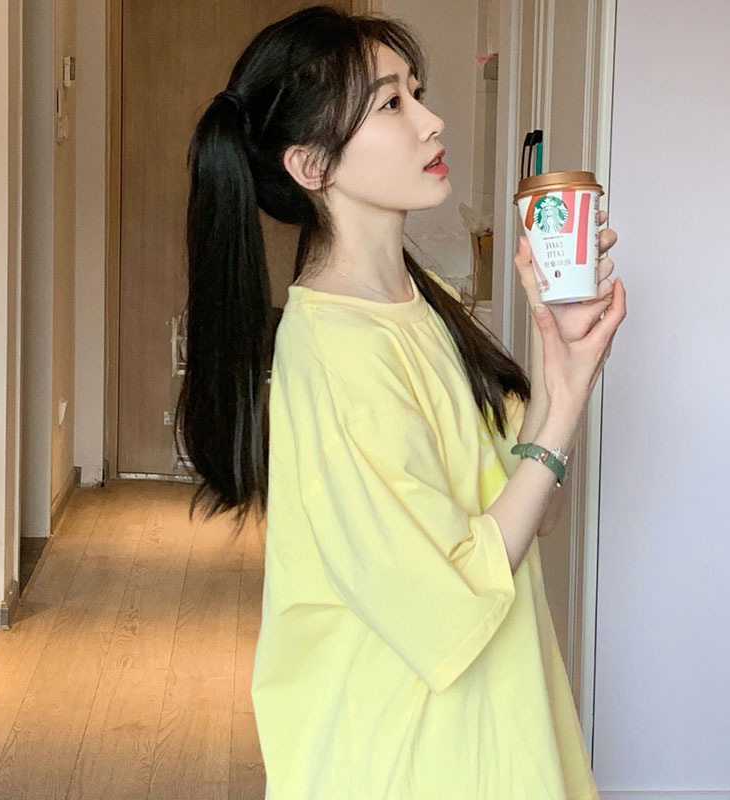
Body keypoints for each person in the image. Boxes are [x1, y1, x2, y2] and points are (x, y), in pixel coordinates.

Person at [175, 5, 626, 799]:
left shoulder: (424, 303)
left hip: (491, 728)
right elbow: (448, 603)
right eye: (391, 103)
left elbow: (532, 508)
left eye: (417, 92)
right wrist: (559, 407)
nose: (431, 120)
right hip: (404, 756)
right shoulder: (337, 352)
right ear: (311, 165)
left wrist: (564, 364)